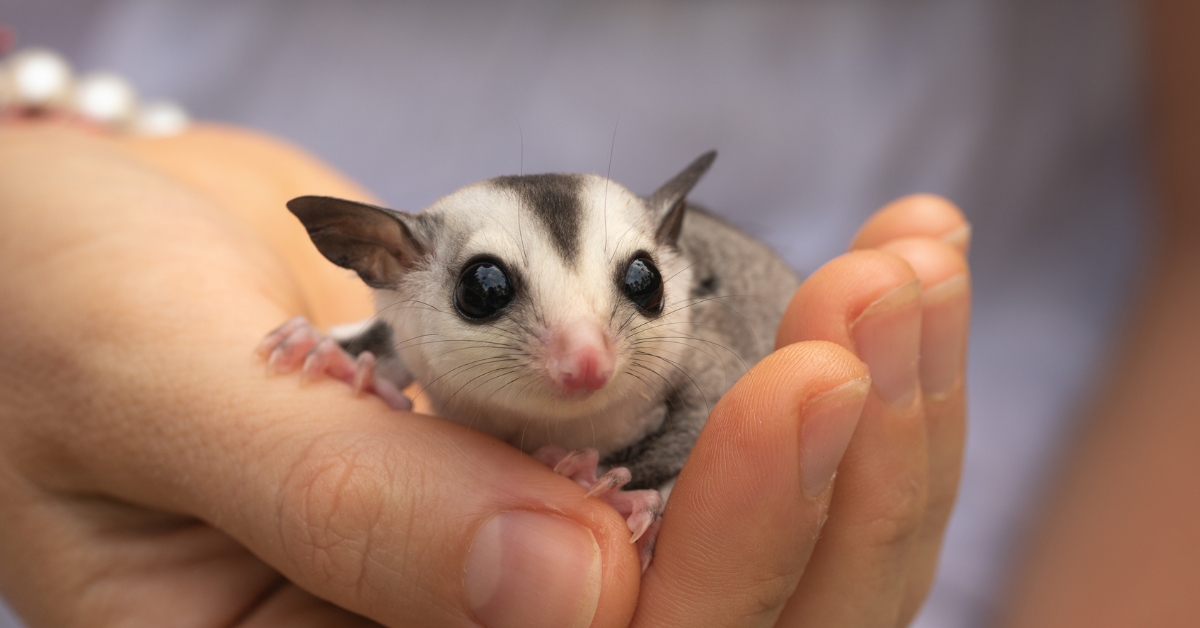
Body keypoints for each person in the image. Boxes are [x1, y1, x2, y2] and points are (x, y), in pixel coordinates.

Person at [0, 122, 969, 627]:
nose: (587, 358)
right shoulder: (408, 312)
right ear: (382, 262)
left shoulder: (688, 337)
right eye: (490, 291)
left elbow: (717, 402)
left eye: (634, 285)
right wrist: (345, 350)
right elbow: (403, 343)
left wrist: (653, 487)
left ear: (670, 259)